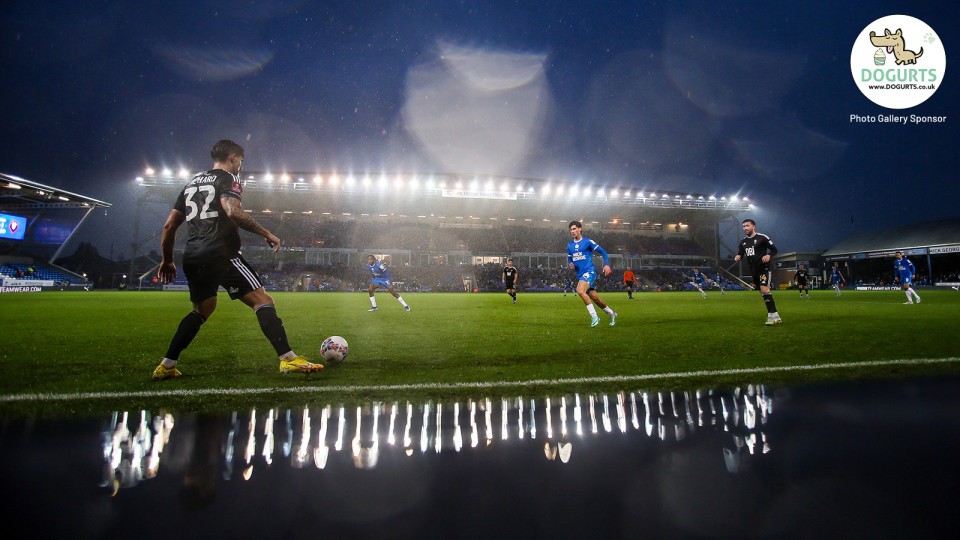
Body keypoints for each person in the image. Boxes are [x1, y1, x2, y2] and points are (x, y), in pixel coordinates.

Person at [154, 139, 322, 380]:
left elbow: (169, 225)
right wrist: (266, 233)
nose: (241, 165)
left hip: (193, 256)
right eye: (240, 161)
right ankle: (288, 359)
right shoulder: (228, 179)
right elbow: (232, 210)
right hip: (220, 253)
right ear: (233, 157)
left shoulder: (191, 184)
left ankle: (166, 365)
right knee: (263, 301)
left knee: (202, 310)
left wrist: (167, 260)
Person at [567, 221, 617, 327]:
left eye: (574, 229)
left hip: (590, 272)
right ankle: (611, 313)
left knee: (580, 291)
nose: (572, 231)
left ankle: (594, 317)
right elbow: (569, 258)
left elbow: (603, 252)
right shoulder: (570, 245)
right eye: (571, 229)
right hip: (580, 275)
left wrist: (606, 265)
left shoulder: (587, 242)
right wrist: (570, 264)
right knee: (595, 298)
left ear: (580, 229)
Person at [734, 218, 782, 325]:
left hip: (764, 268)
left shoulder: (762, 238)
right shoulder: (743, 242)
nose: (745, 228)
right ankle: (775, 316)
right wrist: (738, 257)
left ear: (753, 226)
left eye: (747, 225)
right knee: (762, 292)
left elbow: (774, 250)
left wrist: (768, 255)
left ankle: (773, 316)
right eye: (743, 226)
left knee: (764, 289)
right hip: (753, 270)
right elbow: (740, 254)